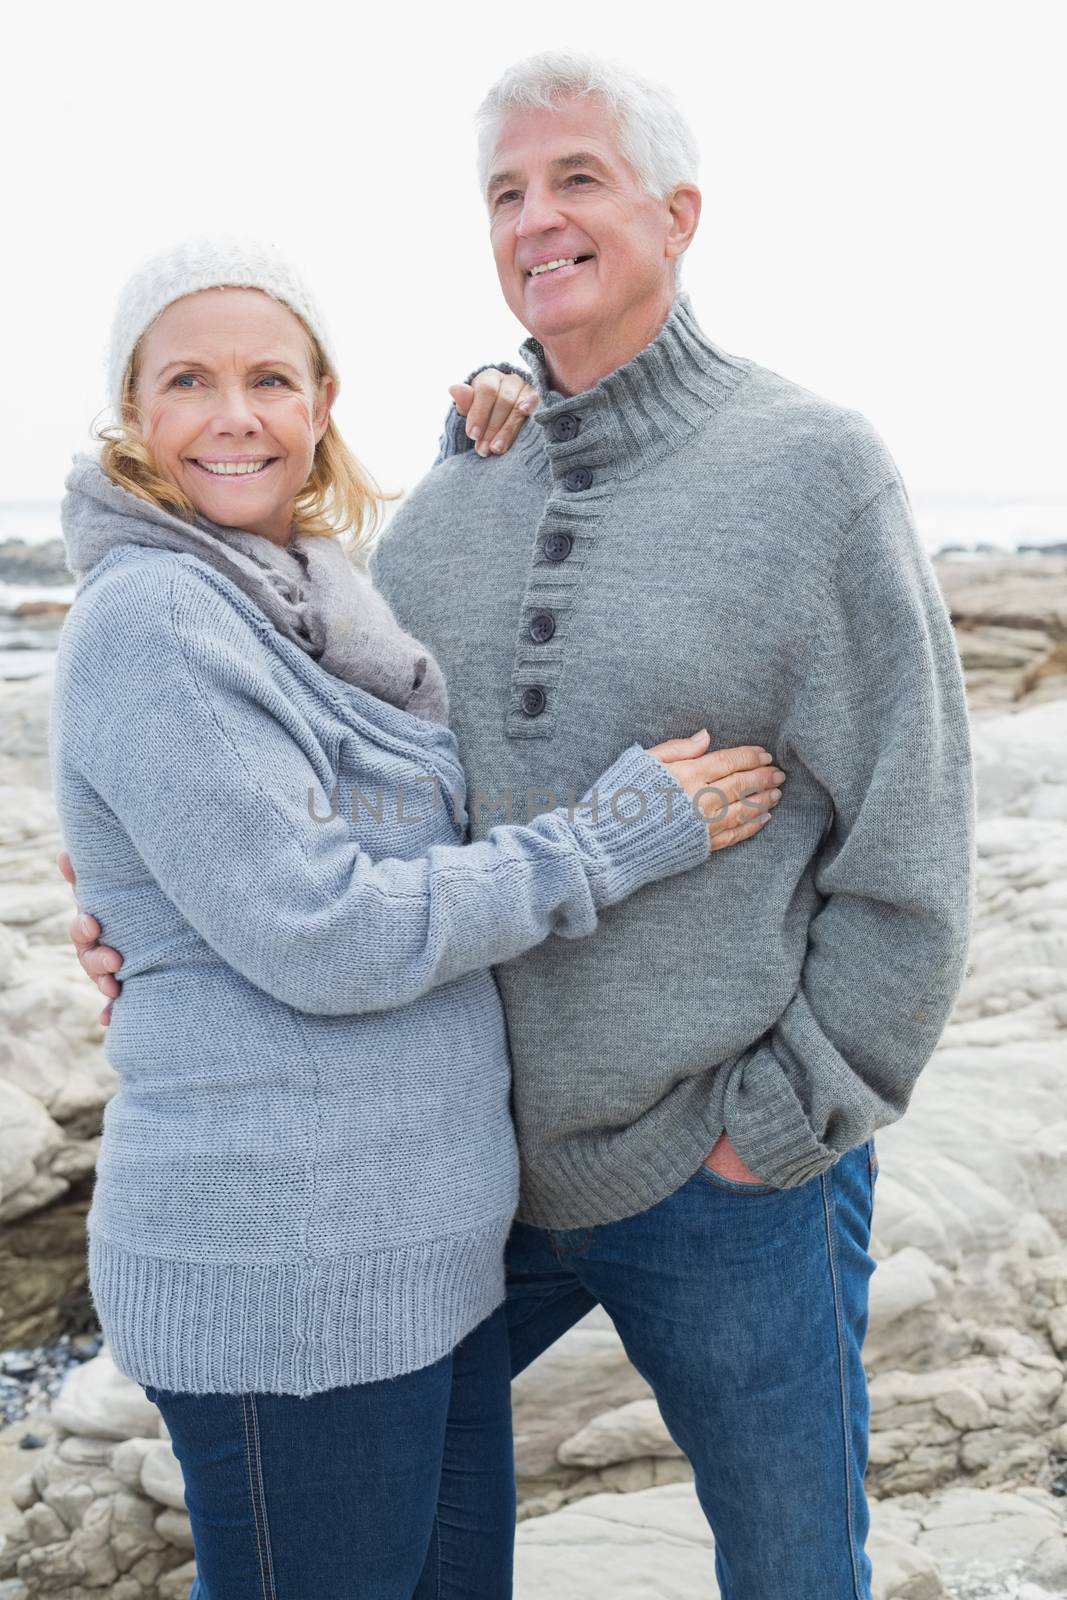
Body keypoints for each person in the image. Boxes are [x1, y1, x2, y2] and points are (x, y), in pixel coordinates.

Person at [51, 234, 787, 1598]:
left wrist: (490, 416)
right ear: (133, 415)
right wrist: (613, 839)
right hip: (286, 1276)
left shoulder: (313, 600)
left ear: (322, 402)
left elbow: (394, 796)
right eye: (188, 381)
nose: (233, 416)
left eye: (271, 378)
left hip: (426, 1260)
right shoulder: (155, 619)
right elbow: (328, 924)